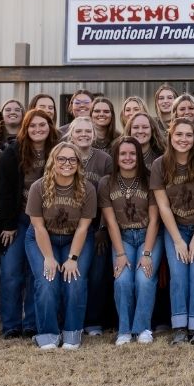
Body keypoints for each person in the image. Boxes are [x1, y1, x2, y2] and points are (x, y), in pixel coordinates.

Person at [151, 118, 194, 345]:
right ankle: (180, 327)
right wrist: (179, 240)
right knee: (179, 273)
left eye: (188, 135)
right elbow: (163, 206)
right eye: (178, 134)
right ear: (170, 137)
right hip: (175, 226)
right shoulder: (160, 164)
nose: (183, 139)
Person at [25, 141, 97, 350]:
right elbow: (38, 227)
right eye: (62, 159)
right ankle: (48, 332)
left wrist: (73, 259)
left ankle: (72, 331)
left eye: (72, 159)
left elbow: (84, 228)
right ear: (53, 162)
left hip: (75, 237)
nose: (67, 163)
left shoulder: (87, 189)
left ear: (78, 163)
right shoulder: (39, 187)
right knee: (47, 280)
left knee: (75, 280)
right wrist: (48, 258)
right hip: (42, 237)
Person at [0, 109, 59, 339]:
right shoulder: (13, 153)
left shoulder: (57, 149)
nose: (38, 129)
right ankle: (11, 324)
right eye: (32, 126)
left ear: (50, 126)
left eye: (42, 125)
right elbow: (5, 191)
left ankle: (32, 322)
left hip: (47, 221)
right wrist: (9, 224)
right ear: (25, 128)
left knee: (36, 272)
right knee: (11, 271)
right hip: (19, 220)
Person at [99, 137, 161, 345]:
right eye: (123, 154)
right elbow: (110, 222)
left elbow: (154, 219)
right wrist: (120, 253)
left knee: (144, 278)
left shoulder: (150, 178)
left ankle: (143, 328)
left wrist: (147, 253)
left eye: (132, 153)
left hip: (148, 236)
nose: (128, 157)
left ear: (139, 156)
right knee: (123, 279)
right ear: (116, 156)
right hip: (122, 237)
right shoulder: (106, 182)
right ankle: (124, 330)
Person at [68, 117, 114, 337]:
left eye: (88, 131)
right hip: (69, 226)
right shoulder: (65, 155)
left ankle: (93, 321)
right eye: (79, 131)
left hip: (96, 227)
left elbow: (108, 196)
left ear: (94, 134)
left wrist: (103, 229)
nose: (84, 134)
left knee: (96, 275)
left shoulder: (104, 159)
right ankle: (71, 319)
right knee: (76, 274)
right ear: (71, 133)